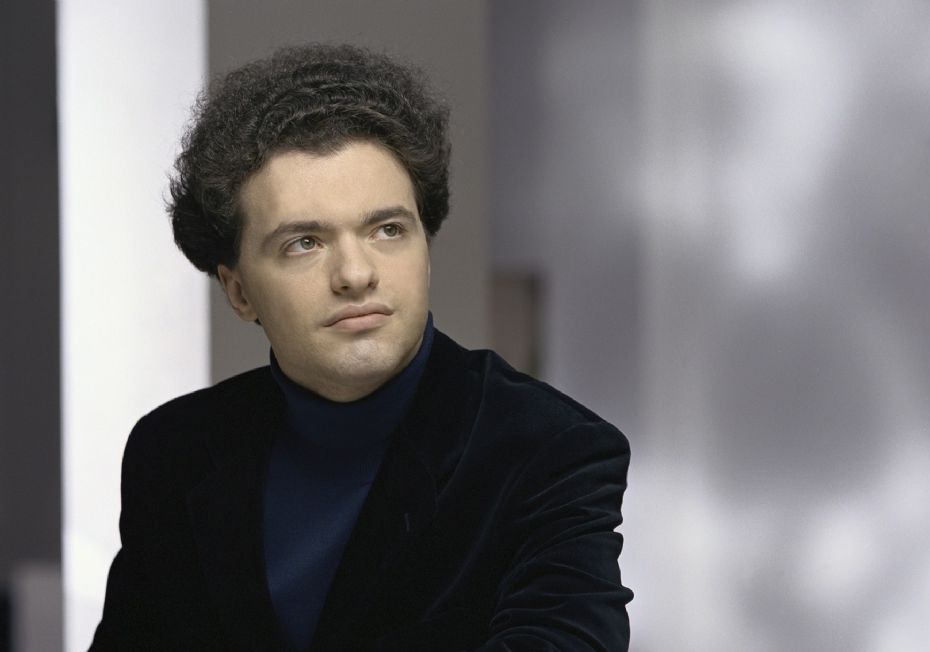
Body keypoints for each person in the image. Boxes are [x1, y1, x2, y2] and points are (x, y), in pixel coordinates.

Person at [90, 43, 632, 651]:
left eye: (387, 230)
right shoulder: (172, 452)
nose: (355, 274)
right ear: (239, 291)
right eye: (304, 243)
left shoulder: (549, 448)